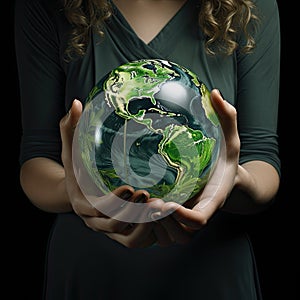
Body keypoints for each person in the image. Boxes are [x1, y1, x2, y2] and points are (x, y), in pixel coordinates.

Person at [14, 0, 281, 299]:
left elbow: (263, 159)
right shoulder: (48, 6)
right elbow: (37, 157)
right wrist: (75, 191)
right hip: (91, 272)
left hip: (212, 273)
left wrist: (234, 180)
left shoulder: (250, 6)